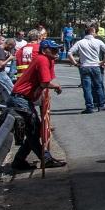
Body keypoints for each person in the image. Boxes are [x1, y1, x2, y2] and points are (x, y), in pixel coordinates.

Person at [8, 40, 67, 171]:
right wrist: (56, 86)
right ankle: (45, 159)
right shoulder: (42, 59)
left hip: (22, 99)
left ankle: (19, 161)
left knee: (34, 131)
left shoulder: (46, 59)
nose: (57, 52)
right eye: (54, 50)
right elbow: (45, 82)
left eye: (57, 50)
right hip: (20, 99)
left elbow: (45, 81)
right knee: (34, 130)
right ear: (45, 50)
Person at [68, 25, 105, 114]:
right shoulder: (98, 41)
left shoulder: (80, 42)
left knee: (87, 88)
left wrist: (75, 63)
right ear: (92, 32)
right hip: (96, 66)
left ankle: (89, 107)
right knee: (98, 86)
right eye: (95, 32)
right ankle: (101, 105)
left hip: (84, 66)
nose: (96, 33)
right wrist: (102, 62)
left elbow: (69, 53)